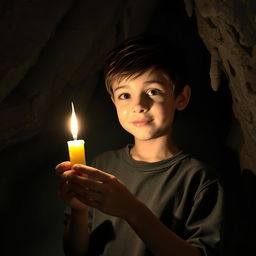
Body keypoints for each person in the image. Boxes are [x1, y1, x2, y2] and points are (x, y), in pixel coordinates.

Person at [55, 35, 224, 256]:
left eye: (153, 91)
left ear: (181, 98)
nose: (138, 105)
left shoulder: (200, 179)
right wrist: (79, 212)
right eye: (125, 95)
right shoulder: (100, 167)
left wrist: (132, 210)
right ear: (114, 102)